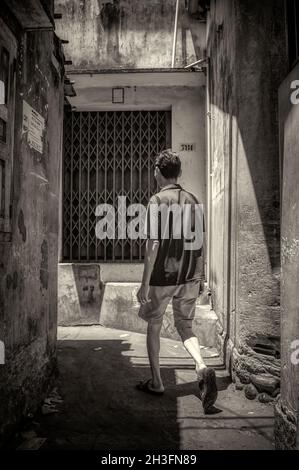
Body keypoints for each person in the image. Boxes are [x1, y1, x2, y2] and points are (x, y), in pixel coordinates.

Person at [136, 149, 218, 414]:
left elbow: (153, 244)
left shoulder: (156, 201)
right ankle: (202, 366)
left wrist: (144, 283)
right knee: (185, 326)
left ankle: (157, 382)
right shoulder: (194, 201)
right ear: (179, 173)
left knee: (154, 325)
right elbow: (201, 242)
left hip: (162, 277)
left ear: (157, 171)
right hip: (190, 277)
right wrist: (200, 276)